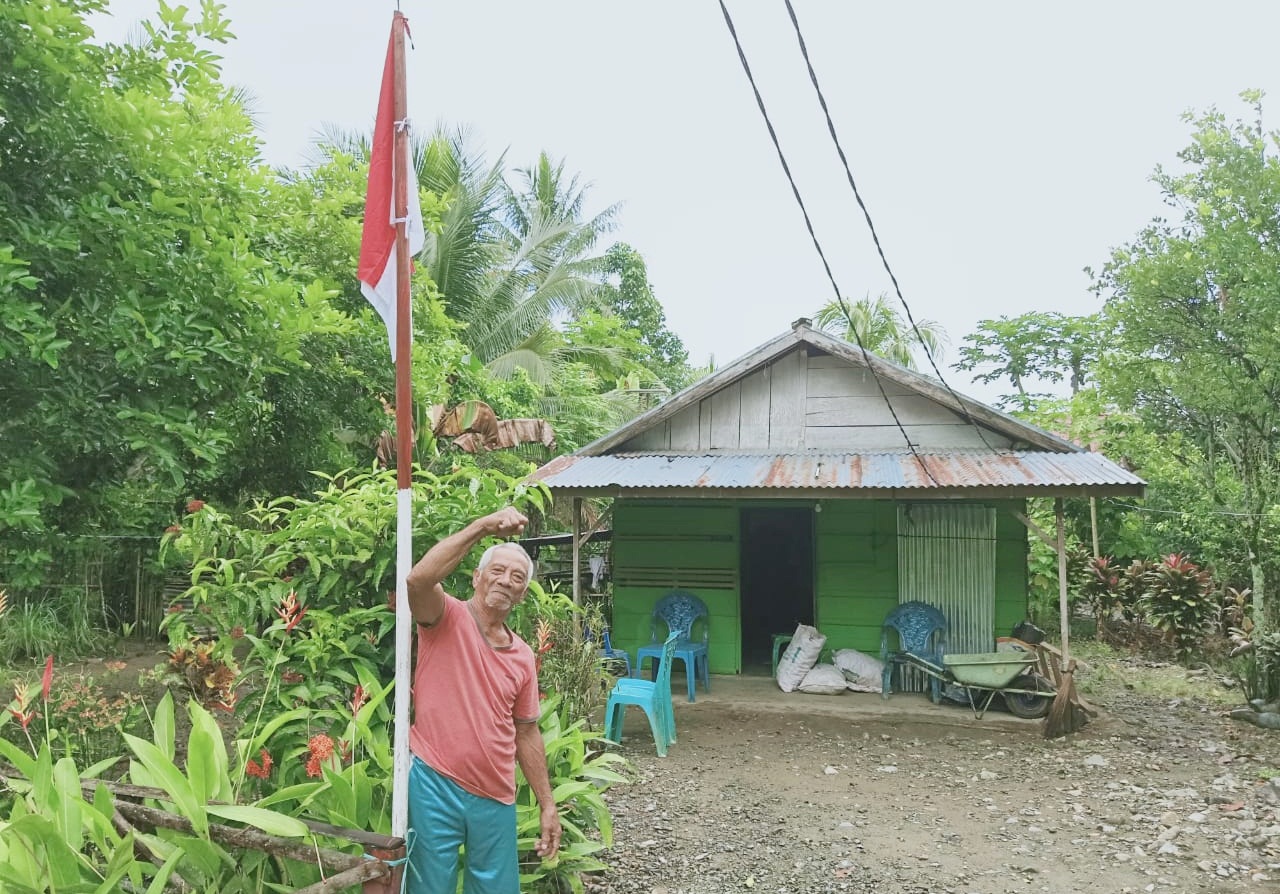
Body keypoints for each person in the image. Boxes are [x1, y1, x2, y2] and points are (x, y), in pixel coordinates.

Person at [403, 507, 561, 892]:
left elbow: (526, 733)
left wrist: (547, 803)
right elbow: (418, 580)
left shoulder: (522, 656)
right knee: (428, 888)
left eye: (517, 578)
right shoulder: (445, 618)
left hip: (495, 793)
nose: (506, 581)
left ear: (523, 594)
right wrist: (482, 526)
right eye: (498, 570)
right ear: (477, 577)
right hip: (433, 783)